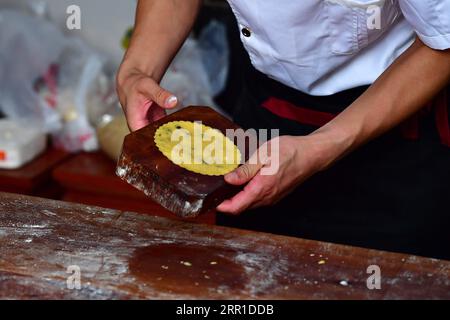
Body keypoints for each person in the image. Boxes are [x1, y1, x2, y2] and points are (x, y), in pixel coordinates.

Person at [117, 0, 450, 259]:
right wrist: (136, 70)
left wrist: (322, 146)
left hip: (394, 133)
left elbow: (443, 41)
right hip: (263, 125)